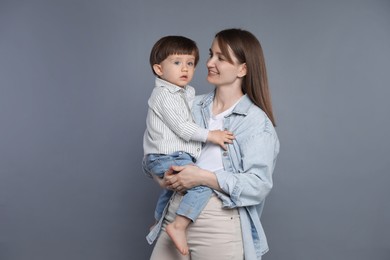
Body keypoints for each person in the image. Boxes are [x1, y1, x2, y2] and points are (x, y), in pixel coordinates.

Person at [146, 28, 280, 260]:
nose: (209, 63)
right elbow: (158, 144)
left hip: (218, 222)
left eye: (221, 58)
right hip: (175, 212)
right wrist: (163, 178)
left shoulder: (256, 122)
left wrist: (202, 177)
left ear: (243, 69)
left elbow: (258, 185)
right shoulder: (189, 103)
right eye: (211, 54)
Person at [142, 35, 235, 255]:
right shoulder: (164, 94)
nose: (185, 69)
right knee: (201, 183)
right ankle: (179, 225)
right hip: (166, 155)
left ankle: (158, 222)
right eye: (176, 63)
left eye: (190, 63)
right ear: (159, 69)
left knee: (174, 190)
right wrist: (212, 135)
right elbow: (183, 127)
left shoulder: (187, 92)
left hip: (169, 155)